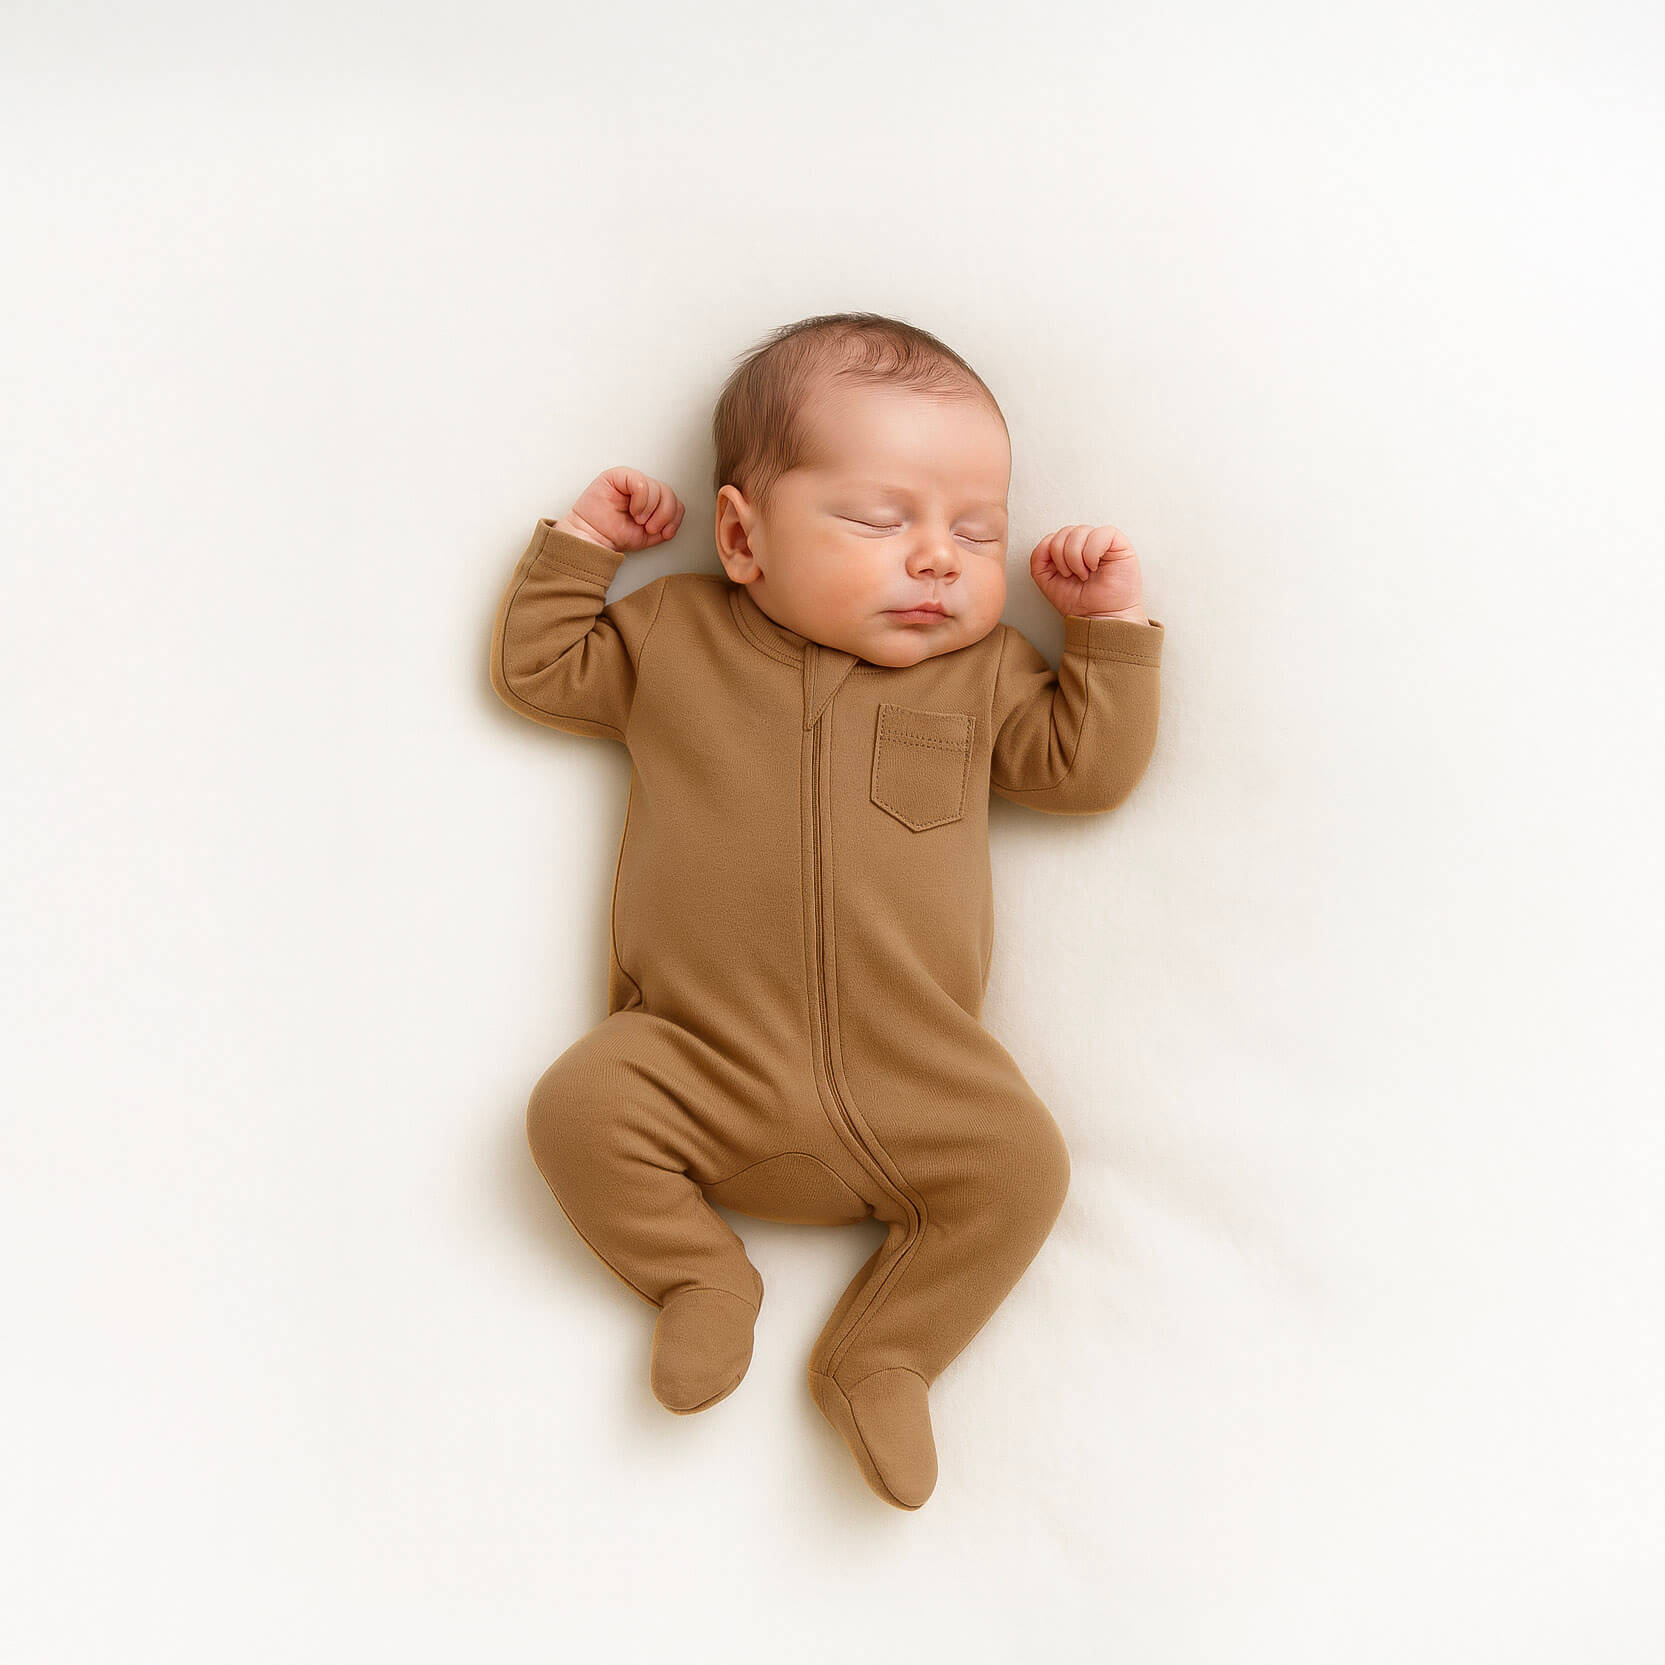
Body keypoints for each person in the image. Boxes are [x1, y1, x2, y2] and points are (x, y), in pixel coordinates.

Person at [489, 312, 1165, 1509]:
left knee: (1023, 1168)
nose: (940, 558)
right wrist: (587, 546)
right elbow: (539, 669)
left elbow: (1085, 771)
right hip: (697, 1060)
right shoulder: (673, 635)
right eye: (879, 519)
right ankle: (700, 1276)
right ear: (741, 537)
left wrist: (1103, 629)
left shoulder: (986, 675)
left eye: (978, 531)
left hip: (919, 1078)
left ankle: (885, 1353)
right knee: (575, 1110)